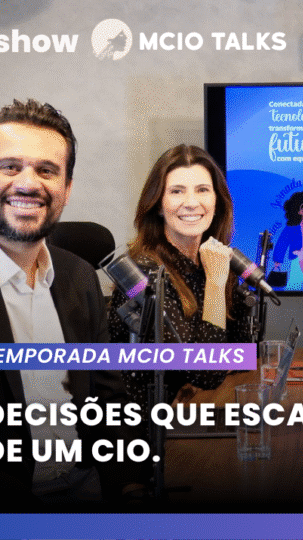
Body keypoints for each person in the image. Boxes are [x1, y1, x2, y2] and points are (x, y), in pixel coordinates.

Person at [0, 99, 145, 507]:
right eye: (10, 166)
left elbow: (108, 401)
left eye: (47, 170)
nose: (28, 183)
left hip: (84, 488)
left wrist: (130, 484)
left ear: (67, 190)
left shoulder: (80, 276)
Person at [108, 144, 249, 409]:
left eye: (202, 190)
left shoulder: (209, 261)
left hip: (184, 417)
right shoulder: (146, 274)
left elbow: (241, 354)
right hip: (143, 436)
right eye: (176, 192)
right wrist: (216, 286)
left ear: (217, 201)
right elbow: (208, 372)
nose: (191, 203)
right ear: (159, 205)